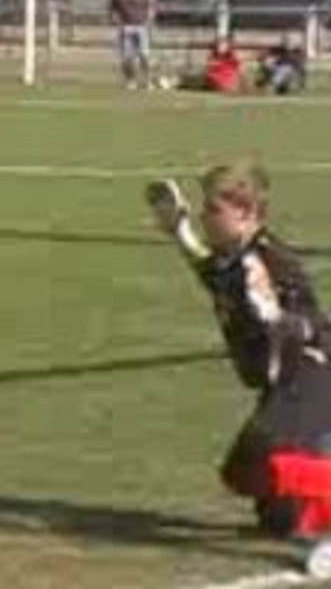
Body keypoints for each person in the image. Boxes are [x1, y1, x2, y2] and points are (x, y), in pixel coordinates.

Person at [146, 164, 331, 573]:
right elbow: (211, 273)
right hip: (284, 381)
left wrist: (282, 320)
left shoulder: (268, 260)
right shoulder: (234, 258)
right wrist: (179, 232)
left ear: (247, 213)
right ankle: (307, 504)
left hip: (312, 374)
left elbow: (312, 321)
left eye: (213, 210)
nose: (204, 217)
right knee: (245, 479)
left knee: (267, 458)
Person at [108, 0, 156, 90]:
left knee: (144, 55)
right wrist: (117, 22)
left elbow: (151, 8)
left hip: (141, 27)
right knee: (127, 57)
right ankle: (131, 81)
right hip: (126, 28)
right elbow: (113, 11)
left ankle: (147, 80)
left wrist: (149, 22)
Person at [174, 37, 243, 93]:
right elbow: (209, 68)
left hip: (226, 80)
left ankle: (182, 84)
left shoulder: (231, 57)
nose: (221, 48)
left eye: (224, 46)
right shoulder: (213, 57)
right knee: (197, 75)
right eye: (220, 46)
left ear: (228, 47)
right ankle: (181, 83)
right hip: (215, 79)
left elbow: (238, 67)